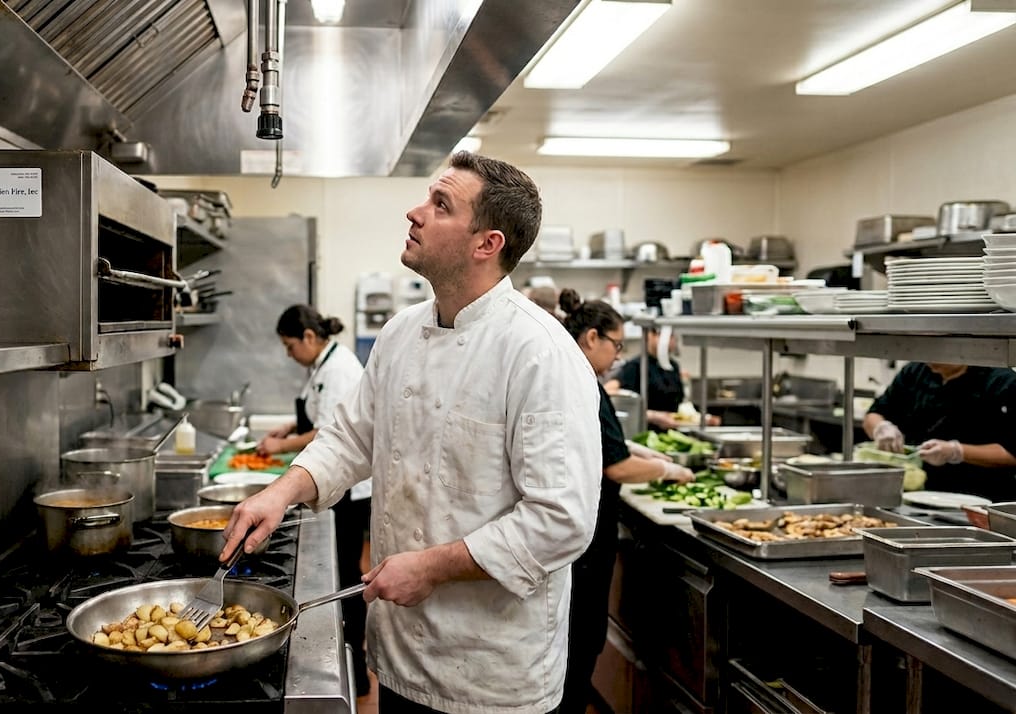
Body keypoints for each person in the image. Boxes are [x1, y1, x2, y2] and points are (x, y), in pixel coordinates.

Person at [220, 151, 602, 714]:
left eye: (439, 204)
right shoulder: (400, 334)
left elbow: (561, 520)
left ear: (486, 244)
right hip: (400, 652)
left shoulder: (539, 353)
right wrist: (282, 491)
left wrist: (429, 567)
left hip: (489, 673)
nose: (414, 212)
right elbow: (350, 437)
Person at [557, 293, 693, 714]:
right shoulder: (580, 382)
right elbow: (613, 468)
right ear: (591, 337)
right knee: (580, 643)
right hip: (584, 537)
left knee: (578, 642)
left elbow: (604, 446)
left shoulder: (577, 377)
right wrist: (671, 472)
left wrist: (640, 452)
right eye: (616, 344)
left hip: (580, 533)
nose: (619, 355)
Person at [256, 304, 372, 695]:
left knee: (347, 575)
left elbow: (329, 431)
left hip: (350, 491)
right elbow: (314, 414)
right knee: (344, 570)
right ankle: (352, 667)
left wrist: (280, 446)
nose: (288, 354)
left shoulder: (339, 368)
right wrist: (288, 427)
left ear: (308, 337)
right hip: (340, 485)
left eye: (290, 346)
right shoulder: (323, 365)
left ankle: (355, 672)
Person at [864, 361, 1016, 502]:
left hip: (980, 500)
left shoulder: (1003, 381)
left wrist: (956, 451)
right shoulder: (915, 371)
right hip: (917, 497)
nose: (931, 361)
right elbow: (874, 414)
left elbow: (1012, 454)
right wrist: (881, 428)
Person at [604, 323, 721, 431]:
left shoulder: (672, 367)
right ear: (650, 336)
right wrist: (652, 416)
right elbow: (608, 392)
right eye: (665, 336)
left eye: (672, 337)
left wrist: (702, 419)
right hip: (644, 433)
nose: (670, 341)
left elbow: (678, 408)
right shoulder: (636, 366)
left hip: (671, 435)